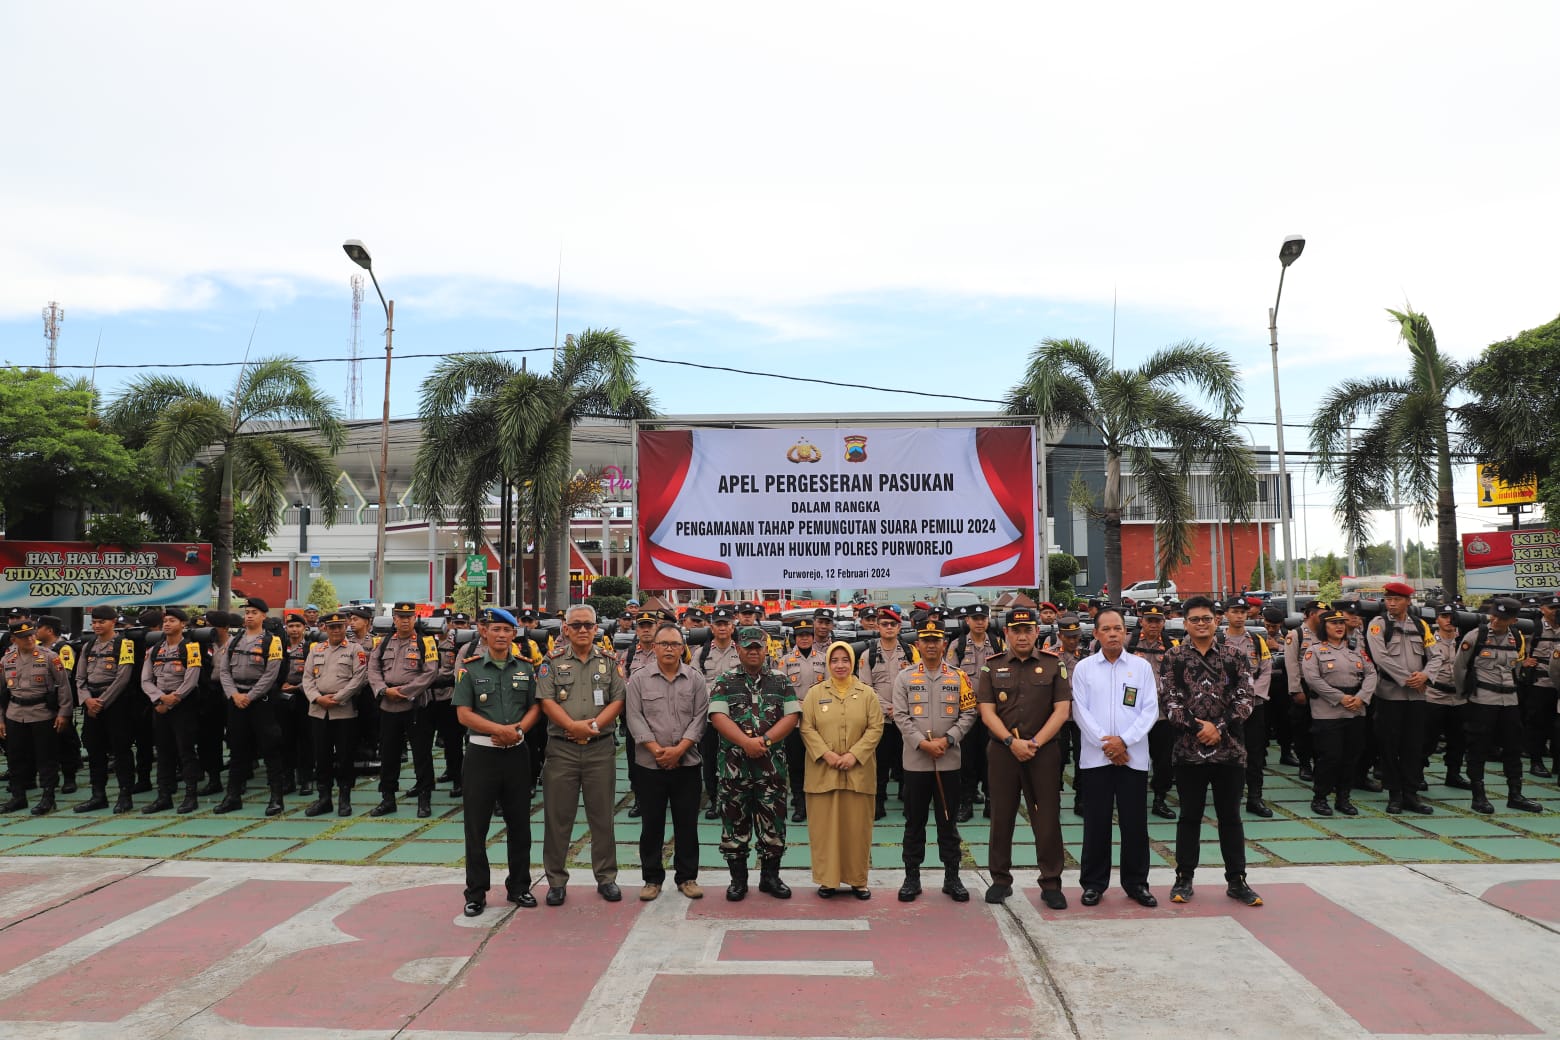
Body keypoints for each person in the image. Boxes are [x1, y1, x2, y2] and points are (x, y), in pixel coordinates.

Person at [1160, 596, 1261, 907]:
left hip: (1229, 751)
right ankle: (1184, 878)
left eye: (1206, 618)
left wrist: (1217, 726)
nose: (1201, 624)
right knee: (1189, 816)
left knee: (1230, 817)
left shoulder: (1235, 656)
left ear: (1216, 620)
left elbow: (1246, 699)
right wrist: (1198, 728)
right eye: (1194, 619)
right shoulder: (1173, 657)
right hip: (1188, 752)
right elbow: (1169, 701)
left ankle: (1237, 880)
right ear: (1185, 623)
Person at [976, 606, 1071, 908]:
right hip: (1003, 752)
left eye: (1027, 630)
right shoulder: (991, 667)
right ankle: (1000, 880)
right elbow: (986, 711)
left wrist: (1034, 743)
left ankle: (1051, 883)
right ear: (1006, 633)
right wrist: (1010, 741)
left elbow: (1062, 710)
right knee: (1001, 816)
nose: (1022, 636)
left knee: (1047, 817)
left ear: (1037, 632)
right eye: (1015, 631)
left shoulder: (1053, 664)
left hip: (1043, 752)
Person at [452, 607, 541, 916]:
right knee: (476, 827)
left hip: (516, 753)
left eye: (507, 630)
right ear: (484, 632)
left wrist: (518, 731)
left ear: (514, 634)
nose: (501, 635)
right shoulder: (470, 668)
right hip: (481, 754)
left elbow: (535, 707)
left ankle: (519, 887)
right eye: (496, 629)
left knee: (520, 825)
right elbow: (464, 714)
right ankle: (476, 893)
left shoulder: (526, 668)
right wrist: (498, 730)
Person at [537, 604, 627, 905]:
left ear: (596, 628)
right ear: (565, 629)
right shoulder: (552, 661)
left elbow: (618, 699)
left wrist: (593, 727)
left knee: (602, 818)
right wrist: (573, 727)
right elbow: (546, 701)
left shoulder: (609, 661)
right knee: (557, 818)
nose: (583, 630)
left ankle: (606, 878)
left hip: (600, 749)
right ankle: (556, 881)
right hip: (562, 749)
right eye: (576, 625)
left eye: (588, 625)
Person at [1069, 608, 1159, 907]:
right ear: (1095, 633)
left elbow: (1150, 710)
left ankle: (1137, 883)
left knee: (1135, 823)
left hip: (1132, 757)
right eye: (1106, 629)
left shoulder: (1141, 667)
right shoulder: (1084, 668)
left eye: (1117, 628)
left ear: (1126, 633)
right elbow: (1080, 711)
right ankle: (1093, 883)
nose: (1112, 634)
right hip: (1096, 759)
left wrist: (1125, 742)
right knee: (1096, 822)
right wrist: (1107, 745)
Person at [709, 625, 801, 901]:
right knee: (734, 827)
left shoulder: (780, 681)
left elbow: (791, 716)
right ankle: (738, 881)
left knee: (774, 826)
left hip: (771, 769)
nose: (753, 651)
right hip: (734, 769)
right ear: (738, 649)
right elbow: (718, 717)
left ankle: (770, 878)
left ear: (765, 650)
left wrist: (765, 741)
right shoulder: (725, 680)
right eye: (747, 647)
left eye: (757, 647)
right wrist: (745, 742)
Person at [891, 618, 974, 902]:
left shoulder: (958, 677)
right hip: (916, 762)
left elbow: (969, 713)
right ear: (918, 644)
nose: (930, 645)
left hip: (948, 761)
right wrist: (923, 743)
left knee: (947, 822)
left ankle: (952, 877)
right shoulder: (905, 677)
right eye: (925, 640)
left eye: (935, 640)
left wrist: (948, 739)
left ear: (943, 644)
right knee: (914, 823)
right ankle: (911, 877)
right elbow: (900, 715)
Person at [625, 622, 708, 901]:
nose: (669, 649)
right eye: (664, 644)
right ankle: (652, 879)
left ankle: (687, 877)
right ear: (655, 647)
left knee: (687, 824)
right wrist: (658, 750)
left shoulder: (695, 679)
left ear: (682, 648)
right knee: (652, 824)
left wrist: (679, 750)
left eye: (674, 644)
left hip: (687, 764)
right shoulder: (639, 679)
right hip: (650, 765)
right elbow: (634, 718)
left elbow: (700, 718)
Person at [800, 640, 883, 900]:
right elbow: (806, 727)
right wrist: (827, 754)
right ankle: (828, 881)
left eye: (845, 660)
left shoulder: (867, 693)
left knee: (857, 830)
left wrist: (854, 755)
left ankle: (858, 881)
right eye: (834, 660)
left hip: (858, 773)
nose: (839, 665)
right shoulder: (815, 694)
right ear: (828, 663)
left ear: (853, 663)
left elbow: (876, 727)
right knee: (824, 830)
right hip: (823, 773)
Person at [1455, 597, 1543, 814]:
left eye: (1502, 618)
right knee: (1478, 748)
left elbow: (1516, 668)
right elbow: (1460, 668)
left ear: (1513, 620)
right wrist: (1464, 696)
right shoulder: (1476, 636)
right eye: (1494, 616)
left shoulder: (1516, 638)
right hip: (1483, 700)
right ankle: (1478, 795)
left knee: (1513, 747)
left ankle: (1515, 794)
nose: (1495, 621)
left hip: (1510, 701)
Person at [1366, 582, 1434, 814]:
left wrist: (1425, 675)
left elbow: (1435, 656)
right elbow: (1381, 658)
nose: (1392, 603)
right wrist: (1409, 679)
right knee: (1389, 746)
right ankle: (1394, 794)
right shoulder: (1378, 624)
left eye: (1397, 599)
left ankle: (1411, 794)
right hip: (1390, 695)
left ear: (1408, 601)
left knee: (1413, 746)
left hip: (1417, 698)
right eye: (1388, 599)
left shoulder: (1421, 625)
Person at [367, 603, 440, 818]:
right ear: (394, 619)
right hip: (388, 704)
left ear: (415, 619)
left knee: (421, 753)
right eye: (400, 617)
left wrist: (405, 692)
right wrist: (383, 690)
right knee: (388, 753)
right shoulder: (383, 642)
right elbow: (373, 668)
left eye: (409, 617)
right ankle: (388, 798)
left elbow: (430, 672)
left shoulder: (426, 642)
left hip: (415, 705)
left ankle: (424, 797)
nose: (405, 620)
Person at [218, 598, 287, 817]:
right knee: (237, 749)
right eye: (247, 612)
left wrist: (250, 696)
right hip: (236, 700)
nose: (249, 616)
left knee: (270, 749)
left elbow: (271, 674)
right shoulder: (233, 640)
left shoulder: (272, 641)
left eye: (254, 612)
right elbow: (224, 671)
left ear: (263, 616)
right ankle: (233, 797)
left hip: (260, 702)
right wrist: (234, 695)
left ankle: (276, 798)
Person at [1302, 609, 1375, 817]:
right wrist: (1340, 698)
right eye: (1334, 623)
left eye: (1342, 623)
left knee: (1351, 757)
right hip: (1328, 712)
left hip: (1355, 710)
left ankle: (1344, 798)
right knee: (1330, 757)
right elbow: (1313, 680)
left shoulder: (1356, 649)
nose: (1339, 626)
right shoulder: (1314, 651)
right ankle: (1320, 798)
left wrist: (1361, 697)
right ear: (1324, 627)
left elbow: (1371, 674)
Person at [301, 611, 368, 817]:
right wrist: (317, 698)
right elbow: (307, 678)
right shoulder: (316, 649)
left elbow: (359, 679)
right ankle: (324, 799)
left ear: (345, 627)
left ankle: (344, 799)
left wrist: (337, 698)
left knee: (345, 757)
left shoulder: (355, 649)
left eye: (339, 626)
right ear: (325, 628)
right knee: (321, 756)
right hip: (318, 710)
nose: (336, 630)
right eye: (332, 627)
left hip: (343, 711)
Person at [0, 621, 71, 815]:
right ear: (14, 639)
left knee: (46, 758)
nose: (30, 639)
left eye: (31, 635)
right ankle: (18, 797)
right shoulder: (6, 659)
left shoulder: (50, 657)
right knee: (15, 758)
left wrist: (64, 713)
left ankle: (48, 797)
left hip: (42, 713)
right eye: (24, 637)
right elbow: (1, 692)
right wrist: (1, 720)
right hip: (15, 713)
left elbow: (63, 686)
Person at [73, 606, 139, 814]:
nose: (97, 625)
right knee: (94, 750)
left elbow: (123, 678)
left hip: (115, 704)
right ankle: (98, 795)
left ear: (113, 622)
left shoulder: (124, 645)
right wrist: (87, 700)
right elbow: (79, 678)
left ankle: (125, 795)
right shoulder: (88, 646)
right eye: (94, 622)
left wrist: (101, 702)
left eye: (101, 622)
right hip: (91, 703)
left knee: (121, 750)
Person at [139, 608, 204, 814]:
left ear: (183, 624)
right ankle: (164, 796)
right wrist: (159, 698)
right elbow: (146, 680)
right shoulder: (154, 650)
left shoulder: (191, 648)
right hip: (160, 705)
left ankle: (190, 796)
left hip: (182, 705)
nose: (167, 624)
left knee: (186, 751)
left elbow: (191, 679)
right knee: (163, 752)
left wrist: (172, 699)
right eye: (165, 621)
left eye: (172, 620)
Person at [857, 606, 916, 820]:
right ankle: (878, 802)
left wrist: (899, 709)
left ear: (899, 627)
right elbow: (866, 688)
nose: (889, 627)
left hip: (906, 718)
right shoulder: (868, 654)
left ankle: (907, 799)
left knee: (907, 761)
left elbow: (916, 683)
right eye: (884, 624)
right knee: (879, 764)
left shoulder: (910, 652)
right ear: (878, 627)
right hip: (880, 719)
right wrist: (889, 709)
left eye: (893, 624)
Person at [949, 603, 1004, 822]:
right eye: (975, 618)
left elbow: (1007, 673)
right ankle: (967, 802)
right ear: (967, 621)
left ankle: (991, 801)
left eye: (983, 618)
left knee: (991, 759)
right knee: (967, 760)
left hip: (993, 714)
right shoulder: (958, 645)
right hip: (967, 714)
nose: (980, 622)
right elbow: (952, 678)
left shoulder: (998, 643)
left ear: (988, 620)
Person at [1219, 600, 1273, 818]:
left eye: (1243, 612)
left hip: (1253, 706)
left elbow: (1266, 669)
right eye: (1235, 612)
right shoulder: (1217, 640)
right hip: (1225, 707)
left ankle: (1254, 797)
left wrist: (1250, 697)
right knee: (1226, 753)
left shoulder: (1257, 640)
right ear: (1226, 614)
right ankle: (1228, 797)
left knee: (1255, 753)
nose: (1240, 616)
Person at [1128, 604, 1178, 819]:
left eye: (1158, 621)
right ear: (1141, 622)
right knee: (1132, 757)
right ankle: (1132, 797)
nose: (1153, 625)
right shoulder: (1129, 643)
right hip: (1133, 713)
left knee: (1163, 759)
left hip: (1162, 713)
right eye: (1149, 620)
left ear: (1164, 623)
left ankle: (1160, 798)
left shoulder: (1172, 645)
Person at [694, 604, 742, 819]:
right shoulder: (700, 654)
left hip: (737, 717)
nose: (722, 628)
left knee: (736, 759)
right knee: (710, 760)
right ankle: (714, 800)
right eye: (718, 624)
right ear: (712, 628)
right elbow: (694, 685)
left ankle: (735, 800)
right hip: (709, 718)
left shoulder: (741, 651)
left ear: (732, 627)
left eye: (726, 624)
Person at [778, 619, 828, 822]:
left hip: (819, 720)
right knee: (796, 764)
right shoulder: (786, 661)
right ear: (795, 638)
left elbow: (829, 688)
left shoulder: (824, 659)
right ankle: (800, 803)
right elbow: (781, 690)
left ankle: (817, 801)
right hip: (795, 720)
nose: (804, 638)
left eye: (808, 635)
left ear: (813, 637)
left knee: (818, 762)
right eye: (800, 635)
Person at [33, 616, 82, 796]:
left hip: (59, 702)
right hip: (39, 703)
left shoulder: (63, 648)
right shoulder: (37, 648)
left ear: (49, 630)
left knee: (65, 741)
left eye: (38, 627)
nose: (35, 631)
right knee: (44, 743)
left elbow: (64, 676)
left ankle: (69, 778)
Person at [1423, 606, 1469, 789]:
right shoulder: (1428, 640)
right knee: (1428, 739)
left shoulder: (1465, 639)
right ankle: (1418, 774)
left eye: (1452, 616)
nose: (1449, 620)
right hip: (1434, 695)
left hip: (1459, 697)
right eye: (1444, 616)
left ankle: (1454, 774)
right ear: (1437, 619)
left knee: (1458, 739)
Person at [277, 612, 317, 797]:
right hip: (282, 697)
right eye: (290, 626)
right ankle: (288, 779)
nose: (294, 630)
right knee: (285, 739)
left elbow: (315, 674)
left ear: (304, 628)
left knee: (305, 739)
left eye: (297, 626)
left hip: (303, 697)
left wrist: (297, 687)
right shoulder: (279, 647)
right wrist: (280, 685)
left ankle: (306, 779)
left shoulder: (310, 648)